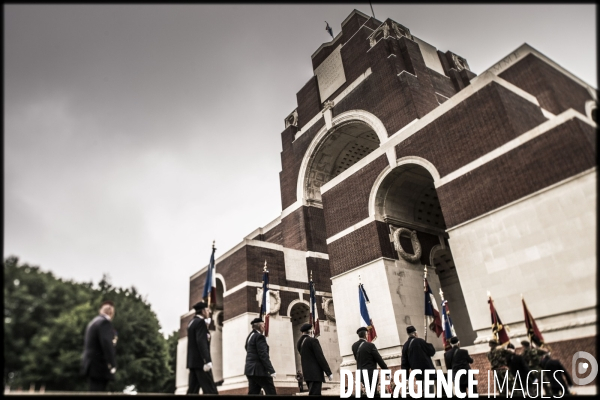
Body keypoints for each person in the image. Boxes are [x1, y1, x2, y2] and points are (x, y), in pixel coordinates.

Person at [81, 300, 117, 392]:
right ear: (111, 312)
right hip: (99, 368)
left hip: (90, 366)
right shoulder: (105, 323)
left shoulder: (93, 322)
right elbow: (106, 343)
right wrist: (112, 364)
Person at [186, 301, 218, 395]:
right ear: (203, 311)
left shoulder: (191, 322)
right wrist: (206, 360)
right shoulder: (200, 322)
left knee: (192, 391)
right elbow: (201, 341)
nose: (208, 312)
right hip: (201, 363)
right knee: (211, 391)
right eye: (207, 310)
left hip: (193, 363)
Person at [297, 323, 333, 396]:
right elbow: (320, 357)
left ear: (302, 332)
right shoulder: (313, 341)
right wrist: (328, 372)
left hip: (307, 374)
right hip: (315, 374)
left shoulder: (299, 343)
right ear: (310, 331)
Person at [244, 317, 277, 395]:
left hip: (250, 370)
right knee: (271, 392)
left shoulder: (250, 336)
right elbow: (263, 355)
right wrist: (271, 370)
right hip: (260, 371)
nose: (265, 327)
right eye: (264, 326)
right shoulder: (259, 337)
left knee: (253, 393)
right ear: (260, 326)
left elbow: (247, 348)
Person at [400, 326, 436, 395]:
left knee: (424, 391)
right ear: (415, 333)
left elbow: (404, 364)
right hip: (428, 371)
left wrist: (406, 377)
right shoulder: (420, 341)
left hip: (417, 373)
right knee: (430, 392)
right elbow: (432, 351)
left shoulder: (405, 346)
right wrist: (428, 344)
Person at [352, 327, 388, 394]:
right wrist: (387, 372)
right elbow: (379, 359)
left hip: (361, 374)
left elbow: (357, 359)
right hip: (371, 374)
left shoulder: (354, 346)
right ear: (366, 334)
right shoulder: (370, 345)